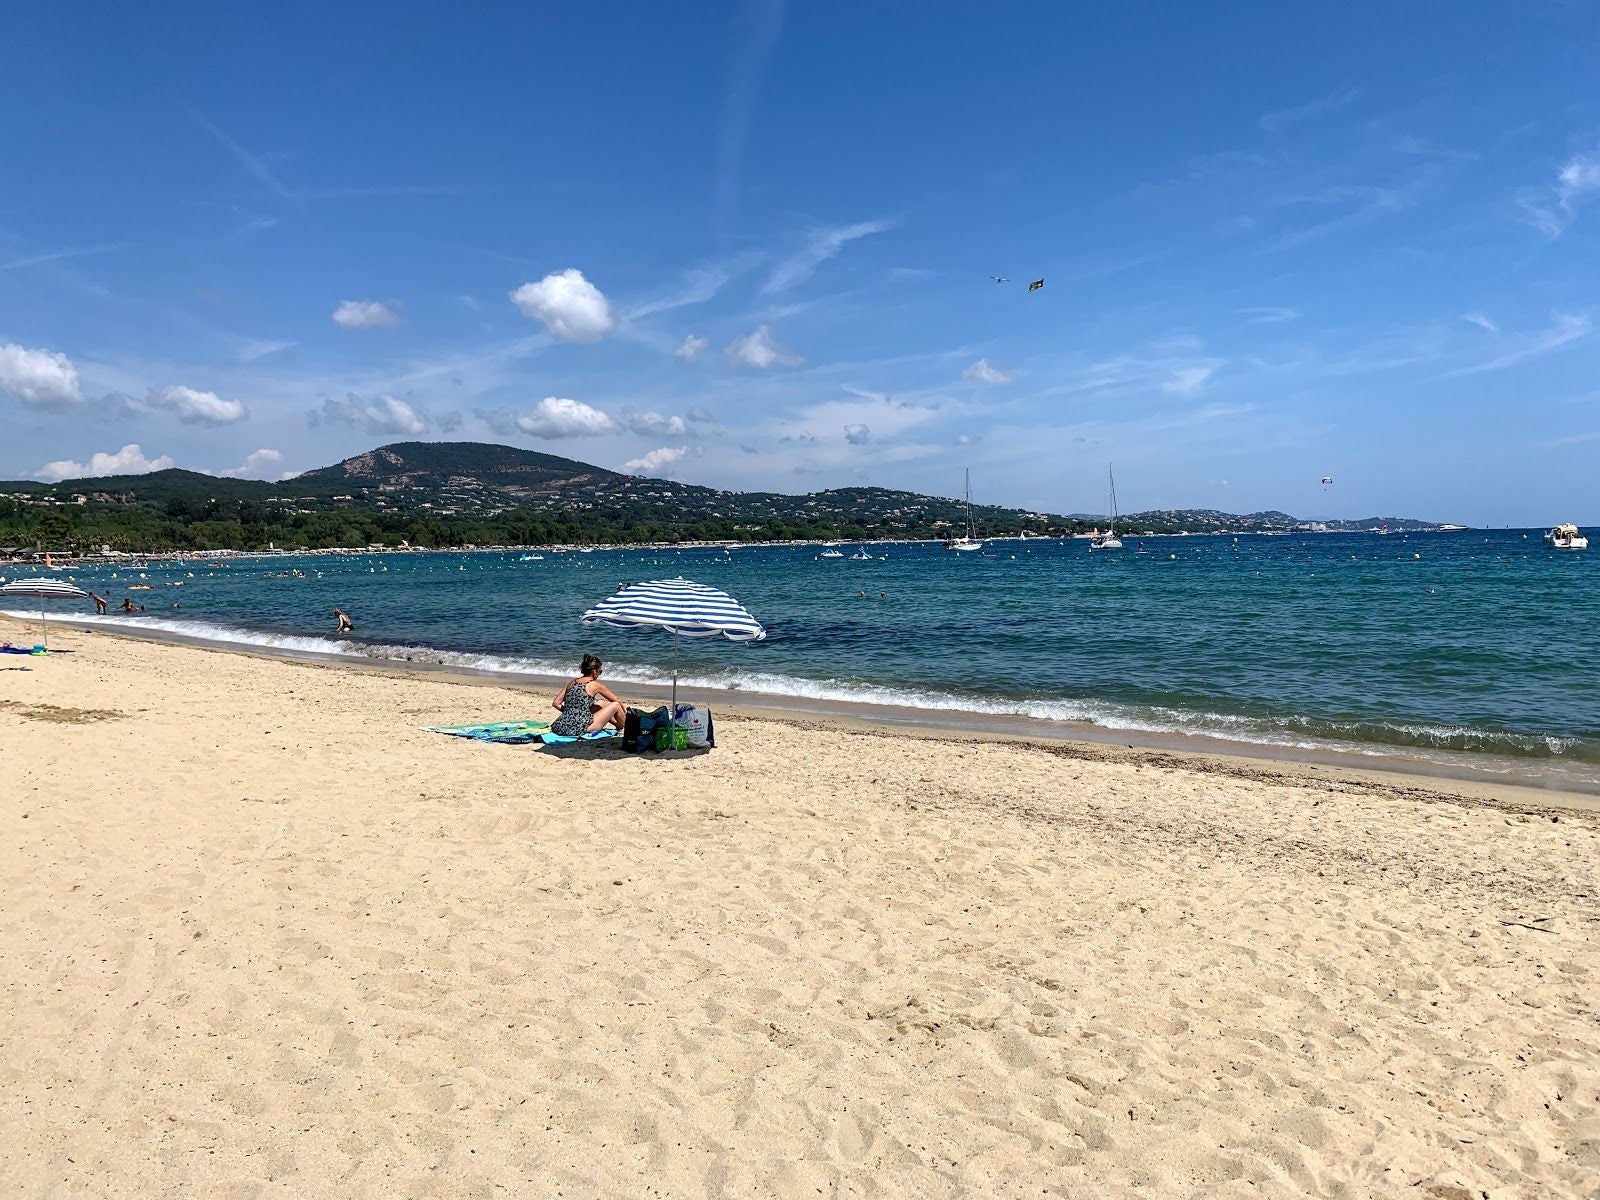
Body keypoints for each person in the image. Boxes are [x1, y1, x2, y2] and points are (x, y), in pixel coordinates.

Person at [550, 653, 626, 737]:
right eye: (600, 671)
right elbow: (617, 700)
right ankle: (629, 728)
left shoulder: (571, 682)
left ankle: (619, 726)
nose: (599, 674)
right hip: (580, 728)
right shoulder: (595, 685)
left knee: (601, 703)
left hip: (561, 726)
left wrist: (571, 713)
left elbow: (556, 703)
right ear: (594, 671)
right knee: (616, 705)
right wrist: (625, 713)